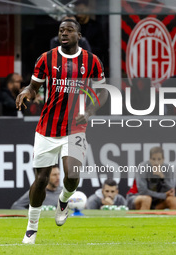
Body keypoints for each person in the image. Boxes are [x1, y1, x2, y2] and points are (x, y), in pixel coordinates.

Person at [16, 18, 108, 244]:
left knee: (73, 174)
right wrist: (27, 92)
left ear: (79, 34)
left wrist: (89, 112)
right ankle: (32, 227)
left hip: (75, 126)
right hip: (47, 127)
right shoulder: (46, 58)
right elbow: (33, 86)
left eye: (69, 30)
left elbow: (103, 92)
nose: (63, 33)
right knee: (41, 180)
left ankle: (64, 200)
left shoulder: (92, 60)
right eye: (61, 30)